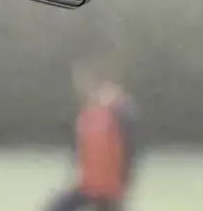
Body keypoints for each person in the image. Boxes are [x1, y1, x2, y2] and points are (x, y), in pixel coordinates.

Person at [45, 57, 140, 211]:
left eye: (81, 77)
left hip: (109, 189)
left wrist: (124, 184)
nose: (78, 84)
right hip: (88, 185)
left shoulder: (118, 107)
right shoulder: (89, 109)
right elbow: (81, 146)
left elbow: (130, 146)